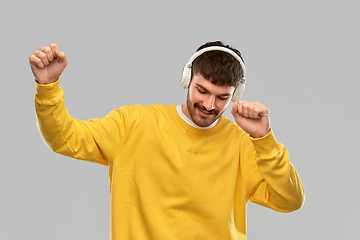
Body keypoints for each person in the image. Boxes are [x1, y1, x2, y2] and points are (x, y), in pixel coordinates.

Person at [29, 41, 305, 240]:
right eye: (202, 90)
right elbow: (63, 138)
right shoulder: (134, 123)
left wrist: (263, 139)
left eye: (222, 97)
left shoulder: (243, 144)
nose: (209, 104)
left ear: (235, 94)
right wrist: (47, 88)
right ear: (187, 79)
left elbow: (290, 200)